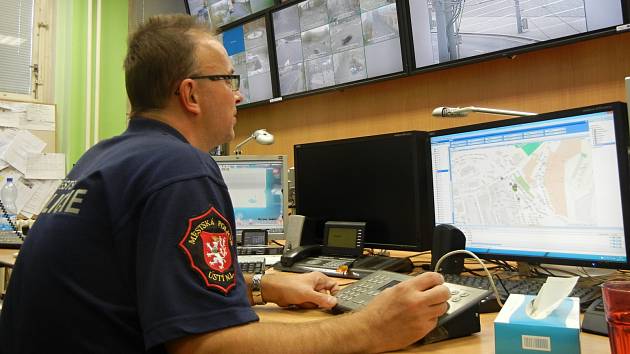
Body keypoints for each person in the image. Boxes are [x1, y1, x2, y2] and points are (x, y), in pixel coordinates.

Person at [0, 14, 449, 353]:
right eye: (228, 79)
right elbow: (205, 347)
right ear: (190, 94)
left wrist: (260, 287)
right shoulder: (181, 169)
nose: (237, 94)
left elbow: (142, 289)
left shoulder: (105, 157)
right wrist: (370, 328)